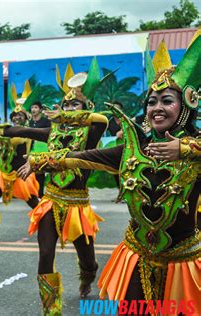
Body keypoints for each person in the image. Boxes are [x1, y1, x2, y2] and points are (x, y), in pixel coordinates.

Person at [25, 38, 200, 315]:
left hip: (182, 263)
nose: (157, 107)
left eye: (167, 101)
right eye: (151, 101)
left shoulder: (195, 150)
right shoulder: (132, 148)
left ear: (187, 105)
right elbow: (81, 158)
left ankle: (87, 271)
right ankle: (51, 309)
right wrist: (41, 161)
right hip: (138, 257)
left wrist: (187, 147)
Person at [0, 59, 108, 314]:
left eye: (75, 105)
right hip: (51, 201)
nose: (69, 108)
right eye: (66, 104)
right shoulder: (52, 132)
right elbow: (23, 129)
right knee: (45, 254)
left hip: (77, 206)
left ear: (86, 108)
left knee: (88, 260)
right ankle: (51, 309)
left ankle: (87, 277)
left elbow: (103, 120)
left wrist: (70, 114)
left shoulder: (90, 134)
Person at [0, 82, 40, 244]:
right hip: (4, 173)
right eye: (14, 115)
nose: (16, 117)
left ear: (26, 117)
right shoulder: (7, 130)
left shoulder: (25, 133)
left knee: (34, 203)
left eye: (20, 115)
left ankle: (50, 225)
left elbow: (13, 139)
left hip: (21, 174)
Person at [29, 101, 51, 198]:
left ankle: (40, 194)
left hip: (42, 150)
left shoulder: (46, 122)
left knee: (40, 172)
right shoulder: (29, 122)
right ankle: (32, 194)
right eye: (32, 107)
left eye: (36, 107)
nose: (33, 109)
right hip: (31, 150)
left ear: (40, 110)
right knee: (31, 172)